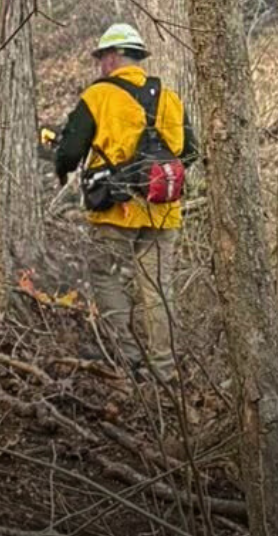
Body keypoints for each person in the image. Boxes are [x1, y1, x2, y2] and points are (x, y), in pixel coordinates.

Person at [51, 23, 198, 383]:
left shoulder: (98, 95)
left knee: (104, 274)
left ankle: (129, 360)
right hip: (164, 210)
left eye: (102, 57)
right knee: (158, 288)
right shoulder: (169, 96)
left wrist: (61, 164)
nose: (100, 64)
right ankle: (164, 370)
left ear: (114, 56)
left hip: (116, 208)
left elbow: (69, 151)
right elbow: (189, 152)